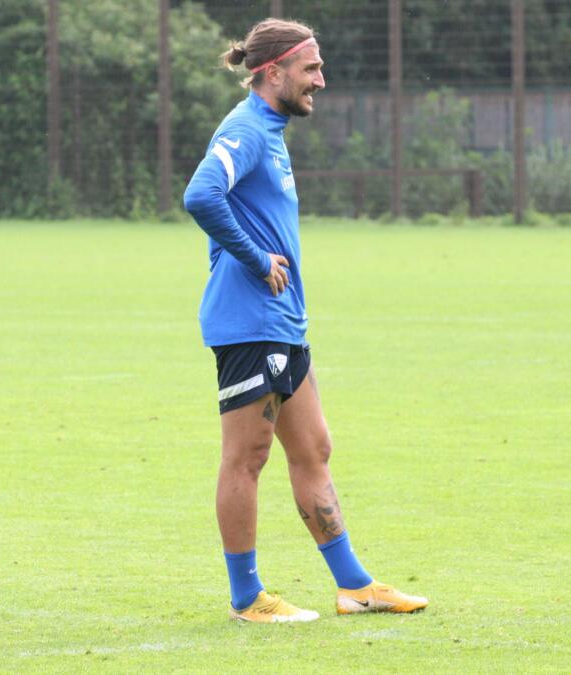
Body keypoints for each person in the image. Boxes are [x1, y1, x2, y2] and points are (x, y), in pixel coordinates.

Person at [182, 19, 429, 623]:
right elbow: (201, 194)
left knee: (314, 449)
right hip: (248, 323)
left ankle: (355, 587)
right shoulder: (244, 128)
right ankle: (247, 598)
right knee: (248, 457)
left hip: (282, 321)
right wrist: (254, 256)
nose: (321, 79)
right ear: (274, 72)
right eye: (311, 69)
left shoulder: (269, 129)